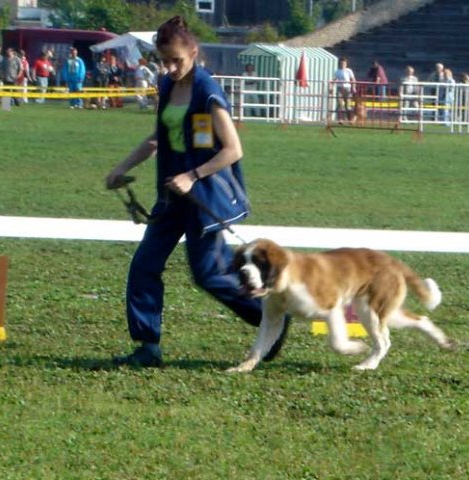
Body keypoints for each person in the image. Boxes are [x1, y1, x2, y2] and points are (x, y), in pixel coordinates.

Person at [105, 15, 289, 368]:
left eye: (178, 60)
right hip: (172, 197)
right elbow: (157, 138)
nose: (172, 68)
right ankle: (147, 346)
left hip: (204, 197)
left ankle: (271, 319)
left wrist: (192, 174)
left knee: (209, 275)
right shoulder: (166, 86)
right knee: (144, 265)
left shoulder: (207, 91)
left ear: (193, 51)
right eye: (165, 61)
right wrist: (122, 168)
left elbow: (233, 149)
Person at [332, 57, 356, 123]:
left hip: (347, 88)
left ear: (346, 64)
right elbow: (334, 79)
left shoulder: (349, 70)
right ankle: (340, 119)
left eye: (344, 63)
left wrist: (353, 87)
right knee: (340, 105)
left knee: (348, 106)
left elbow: (353, 79)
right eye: (341, 63)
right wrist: (331, 87)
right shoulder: (337, 71)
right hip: (340, 88)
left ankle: (350, 119)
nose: (342, 64)